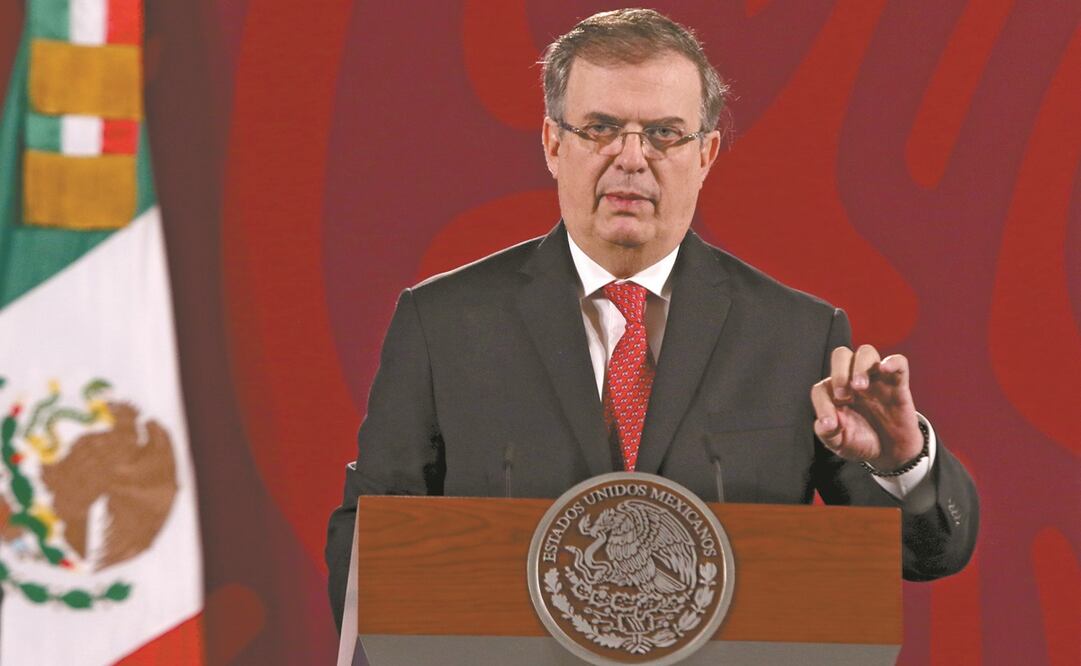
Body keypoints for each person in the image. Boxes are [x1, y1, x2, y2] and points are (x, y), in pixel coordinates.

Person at [325, 8, 978, 630]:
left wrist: (902, 462)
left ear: (706, 153)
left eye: (664, 133)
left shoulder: (799, 337)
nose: (631, 158)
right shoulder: (442, 325)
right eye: (600, 128)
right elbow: (369, 550)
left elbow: (927, 556)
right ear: (554, 144)